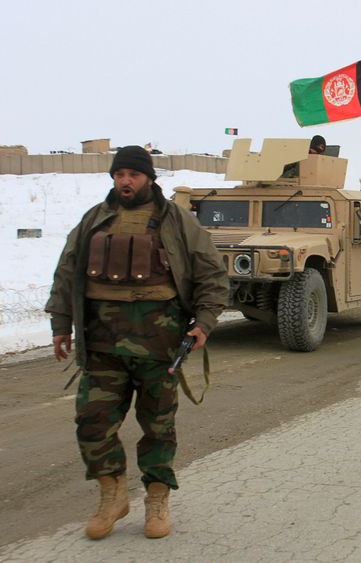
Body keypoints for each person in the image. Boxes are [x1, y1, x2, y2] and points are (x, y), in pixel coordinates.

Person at [46, 146, 229, 540]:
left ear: (149, 178)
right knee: (92, 425)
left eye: (133, 174)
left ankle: (157, 498)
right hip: (101, 348)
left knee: (158, 428)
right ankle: (111, 495)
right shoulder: (95, 220)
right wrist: (61, 323)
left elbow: (211, 274)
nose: (125, 181)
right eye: (119, 175)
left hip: (160, 348)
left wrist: (205, 322)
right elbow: (66, 270)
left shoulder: (175, 220)